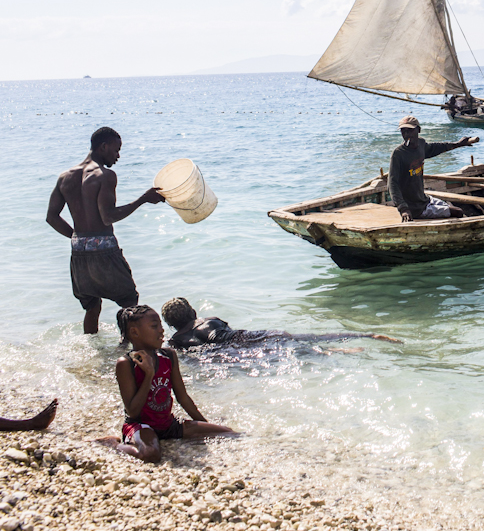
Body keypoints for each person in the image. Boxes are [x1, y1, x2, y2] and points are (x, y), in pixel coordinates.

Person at [46, 127, 164, 334]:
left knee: (92, 306)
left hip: (79, 252)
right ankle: (127, 351)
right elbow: (108, 216)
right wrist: (143, 199)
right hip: (105, 251)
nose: (118, 156)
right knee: (130, 304)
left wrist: (77, 237)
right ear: (103, 146)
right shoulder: (105, 175)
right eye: (116, 150)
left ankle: (92, 352)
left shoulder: (65, 176)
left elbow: (51, 217)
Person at [96, 305, 236, 463]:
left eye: (161, 326)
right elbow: (133, 411)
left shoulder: (168, 355)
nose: (161, 331)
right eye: (154, 326)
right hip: (141, 426)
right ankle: (113, 444)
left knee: (228, 433)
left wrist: (204, 423)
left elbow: (182, 397)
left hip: (169, 424)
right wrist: (148, 374)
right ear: (135, 332)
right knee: (150, 455)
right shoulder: (126, 364)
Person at [160, 297, 402, 349]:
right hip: (251, 335)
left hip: (237, 351)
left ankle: (338, 351)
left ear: (171, 324)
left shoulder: (176, 341)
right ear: (192, 311)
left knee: (294, 351)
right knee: (303, 338)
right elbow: (229, 332)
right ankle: (367, 336)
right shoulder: (210, 320)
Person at [389, 116, 476, 222]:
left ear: (418, 130)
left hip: (424, 200)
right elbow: (392, 184)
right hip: (414, 208)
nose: (407, 135)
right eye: (403, 131)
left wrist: (458, 144)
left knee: (449, 206)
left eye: (410, 131)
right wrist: (403, 209)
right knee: (458, 212)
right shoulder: (398, 154)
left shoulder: (421, 144)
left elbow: (436, 148)